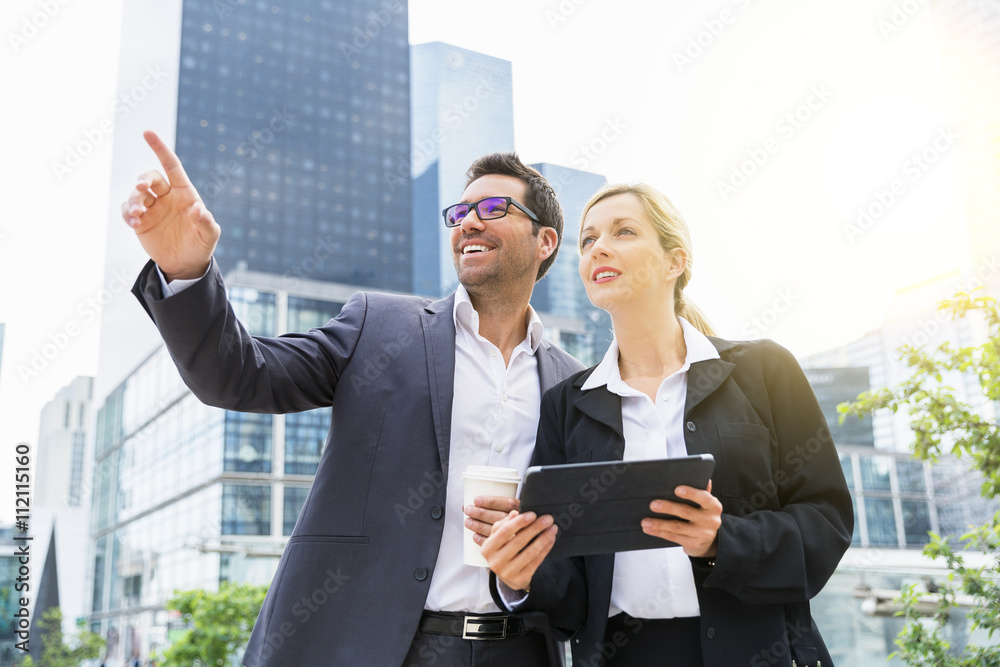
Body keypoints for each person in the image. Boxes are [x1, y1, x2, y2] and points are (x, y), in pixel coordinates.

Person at [121, 130, 584, 667]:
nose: (469, 222)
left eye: (492, 207)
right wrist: (186, 272)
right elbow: (239, 375)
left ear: (545, 241)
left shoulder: (572, 390)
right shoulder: (379, 327)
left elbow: (581, 563)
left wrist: (530, 575)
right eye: (459, 212)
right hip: (374, 649)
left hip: (519, 652)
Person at [479, 183, 854, 666]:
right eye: (588, 240)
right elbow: (570, 592)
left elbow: (827, 523)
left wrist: (722, 540)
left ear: (675, 262)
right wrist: (521, 572)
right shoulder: (566, 406)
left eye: (624, 231)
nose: (600, 248)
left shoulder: (764, 370)